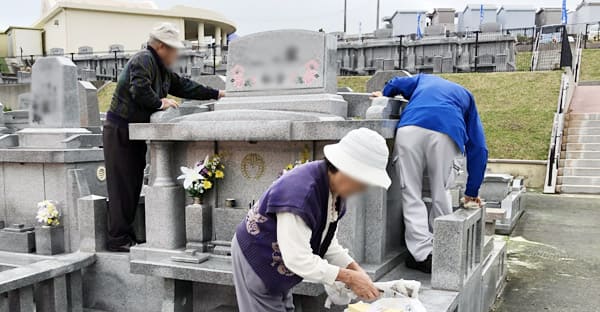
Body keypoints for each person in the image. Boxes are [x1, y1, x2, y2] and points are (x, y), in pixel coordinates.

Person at [231, 128, 391, 312]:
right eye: (364, 183)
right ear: (348, 170)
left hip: (281, 259)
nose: (363, 190)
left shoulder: (334, 192)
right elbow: (297, 259)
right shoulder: (301, 194)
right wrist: (349, 277)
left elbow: (327, 243)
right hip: (257, 255)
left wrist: (356, 270)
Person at [103, 23, 225, 252]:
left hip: (135, 131)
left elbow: (185, 87)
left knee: (132, 183)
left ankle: (126, 236)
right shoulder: (143, 60)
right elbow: (138, 89)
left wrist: (217, 94)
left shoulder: (161, 69)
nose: (176, 54)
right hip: (119, 129)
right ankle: (118, 239)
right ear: (160, 46)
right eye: (173, 49)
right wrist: (160, 102)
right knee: (122, 186)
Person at [373, 74, 488, 273]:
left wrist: (384, 94)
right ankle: (444, 248)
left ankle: (421, 254)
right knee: (441, 191)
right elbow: (478, 147)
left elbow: (395, 82)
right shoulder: (466, 96)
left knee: (410, 192)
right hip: (447, 131)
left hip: (410, 128)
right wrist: (472, 191)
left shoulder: (422, 79)